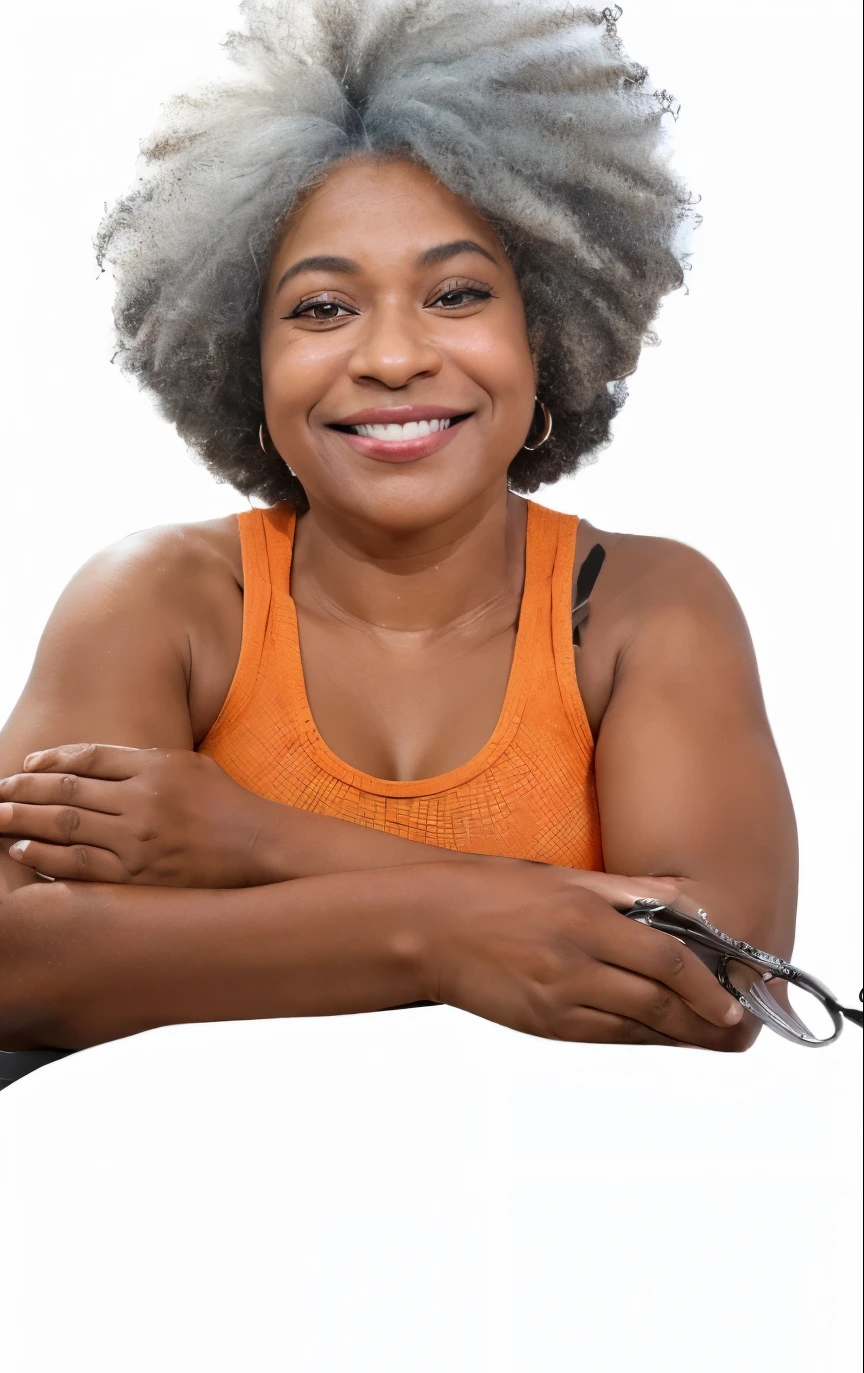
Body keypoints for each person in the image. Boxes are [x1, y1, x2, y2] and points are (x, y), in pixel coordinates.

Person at [0, 0, 797, 1051]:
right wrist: (444, 926)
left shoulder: (643, 608)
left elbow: (721, 978)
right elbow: (19, 965)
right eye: (323, 308)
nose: (390, 357)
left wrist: (261, 842)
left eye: (456, 294)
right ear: (249, 365)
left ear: (545, 332)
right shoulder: (161, 601)